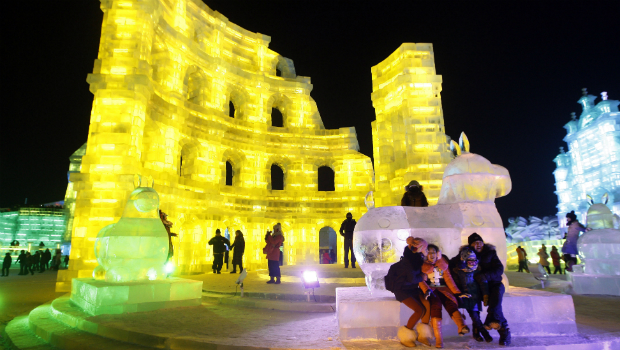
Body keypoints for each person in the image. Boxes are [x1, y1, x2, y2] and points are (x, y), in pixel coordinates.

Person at [458, 232, 511, 346]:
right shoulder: (467, 254)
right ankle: (481, 328)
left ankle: (503, 332)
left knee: (495, 304)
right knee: (475, 306)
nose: (478, 244)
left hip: (494, 284)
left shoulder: (491, 253)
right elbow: (457, 263)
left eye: (480, 242)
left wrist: (485, 276)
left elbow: (499, 269)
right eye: (475, 242)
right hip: (478, 287)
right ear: (470, 245)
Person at [419, 244, 468, 348]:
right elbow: (421, 280)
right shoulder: (423, 266)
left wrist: (457, 292)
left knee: (451, 302)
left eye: (433, 252)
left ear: (437, 254)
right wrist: (426, 290)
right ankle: (439, 340)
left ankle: (461, 326)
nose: (431, 255)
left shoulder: (442, 264)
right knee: (435, 307)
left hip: (443, 288)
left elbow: (449, 279)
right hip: (431, 289)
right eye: (429, 252)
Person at [451, 246, 493, 343]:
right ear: (465, 261)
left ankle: (476, 334)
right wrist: (459, 293)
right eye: (470, 261)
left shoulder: (477, 272)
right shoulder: (459, 272)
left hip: (476, 297)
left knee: (476, 316)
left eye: (474, 261)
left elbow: (483, 284)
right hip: (467, 297)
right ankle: (484, 333)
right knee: (475, 317)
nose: (473, 264)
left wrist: (485, 294)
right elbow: (456, 284)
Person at [394, 237, 428, 347]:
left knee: (426, 305)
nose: (425, 252)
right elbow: (412, 278)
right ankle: (406, 337)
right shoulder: (409, 261)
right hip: (402, 290)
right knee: (419, 310)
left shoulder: (415, 258)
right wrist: (422, 276)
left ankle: (423, 336)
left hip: (411, 289)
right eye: (424, 250)